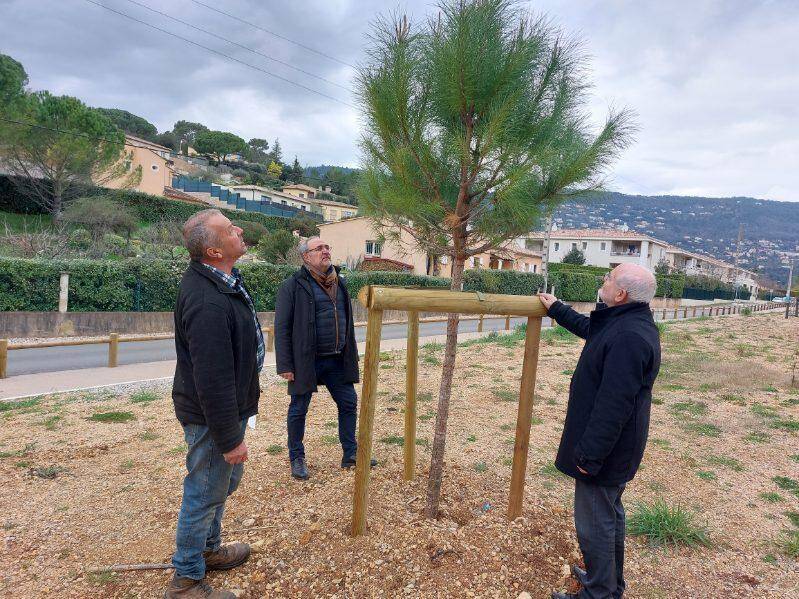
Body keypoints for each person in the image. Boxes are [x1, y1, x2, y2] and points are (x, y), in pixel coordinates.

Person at [539, 263, 661, 599]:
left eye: (608, 279)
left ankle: (600, 593)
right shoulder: (624, 322)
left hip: (606, 451)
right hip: (612, 448)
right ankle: (606, 580)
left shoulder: (629, 338)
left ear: (620, 293)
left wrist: (590, 455)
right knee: (608, 515)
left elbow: (614, 404)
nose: (603, 282)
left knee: (595, 524)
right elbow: (591, 328)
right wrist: (558, 309)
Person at [166, 209, 264, 599]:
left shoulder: (222, 279)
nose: (238, 230)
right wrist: (228, 438)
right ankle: (187, 578)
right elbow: (212, 378)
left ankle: (208, 548)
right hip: (212, 415)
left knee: (221, 484)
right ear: (212, 250)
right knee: (204, 490)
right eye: (229, 229)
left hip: (228, 409)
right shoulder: (206, 300)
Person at [274, 236, 376, 480]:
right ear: (306, 256)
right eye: (318, 248)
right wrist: (285, 364)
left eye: (327, 247)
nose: (325, 251)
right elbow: (282, 327)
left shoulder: (339, 283)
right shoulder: (292, 285)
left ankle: (350, 453)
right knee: (298, 409)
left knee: (349, 403)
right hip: (305, 360)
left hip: (337, 360)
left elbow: (347, 322)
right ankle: (296, 457)